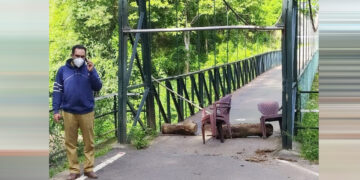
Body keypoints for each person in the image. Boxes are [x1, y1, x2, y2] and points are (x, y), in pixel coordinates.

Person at [52, 45, 102, 180]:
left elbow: (98, 86)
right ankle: (74, 170)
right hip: (68, 112)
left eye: (82, 56)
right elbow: (57, 91)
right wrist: (56, 110)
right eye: (77, 56)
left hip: (87, 111)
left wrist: (92, 72)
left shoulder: (90, 69)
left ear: (85, 56)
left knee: (89, 142)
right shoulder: (62, 71)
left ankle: (89, 169)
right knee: (70, 143)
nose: (80, 58)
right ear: (72, 55)